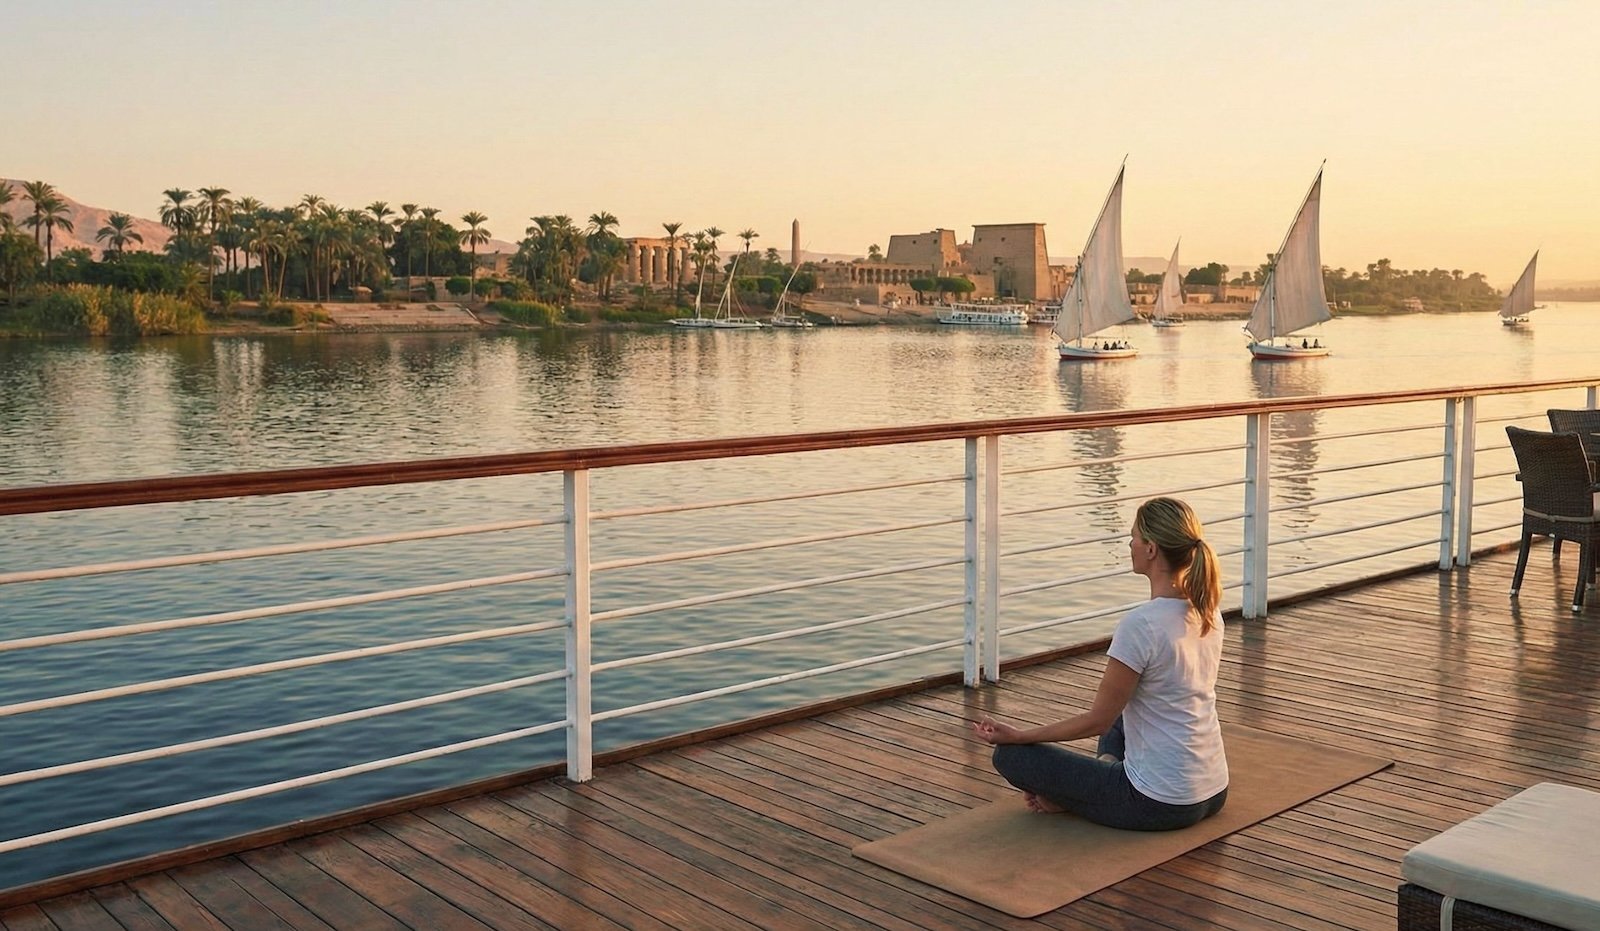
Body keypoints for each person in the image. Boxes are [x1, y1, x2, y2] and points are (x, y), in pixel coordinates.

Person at [971, 497, 1228, 831]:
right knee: (1123, 718)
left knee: (1011, 757)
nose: (1130, 543)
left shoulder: (1141, 625)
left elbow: (1096, 722)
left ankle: (1073, 796)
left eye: (1134, 537)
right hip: (1213, 789)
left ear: (1151, 549)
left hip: (1159, 803)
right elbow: (1112, 720)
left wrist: (1019, 736)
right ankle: (1095, 779)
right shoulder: (1208, 612)